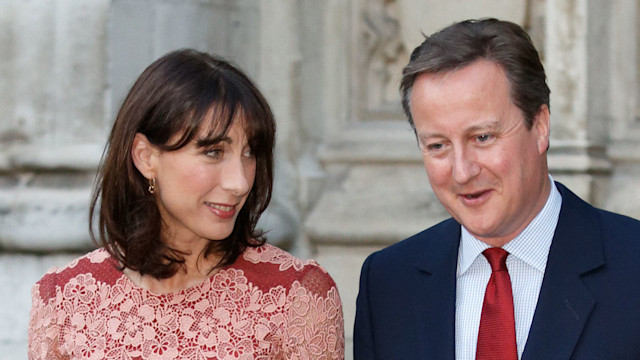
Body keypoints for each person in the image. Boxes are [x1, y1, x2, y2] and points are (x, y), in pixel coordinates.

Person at [28, 49, 344, 360]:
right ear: (145, 157)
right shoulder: (63, 299)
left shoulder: (296, 296)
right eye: (214, 152)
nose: (240, 182)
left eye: (250, 152)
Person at [354, 18, 640, 359]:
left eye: (482, 137)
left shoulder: (632, 266)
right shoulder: (387, 283)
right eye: (437, 146)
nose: (462, 172)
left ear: (541, 126)